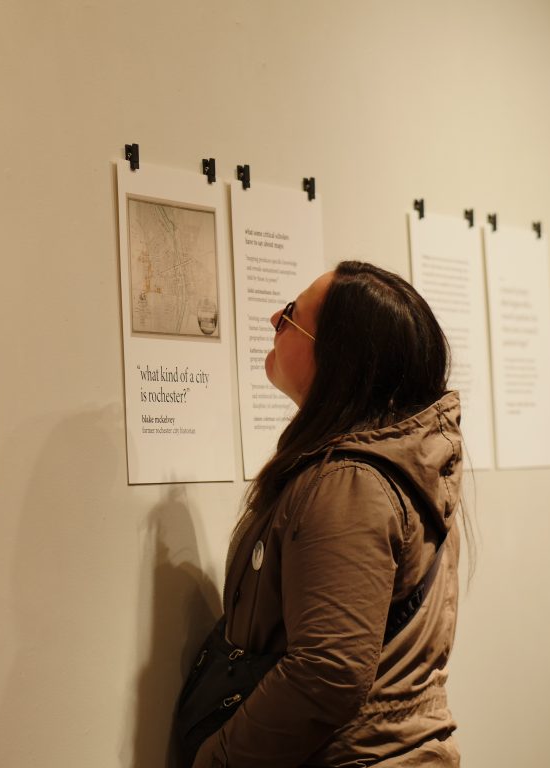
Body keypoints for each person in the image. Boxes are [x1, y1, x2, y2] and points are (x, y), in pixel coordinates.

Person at [193, 261, 465, 767]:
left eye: (292, 315)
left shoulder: (349, 484)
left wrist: (217, 759)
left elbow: (328, 671)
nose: (275, 317)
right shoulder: (387, 465)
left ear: (339, 356)